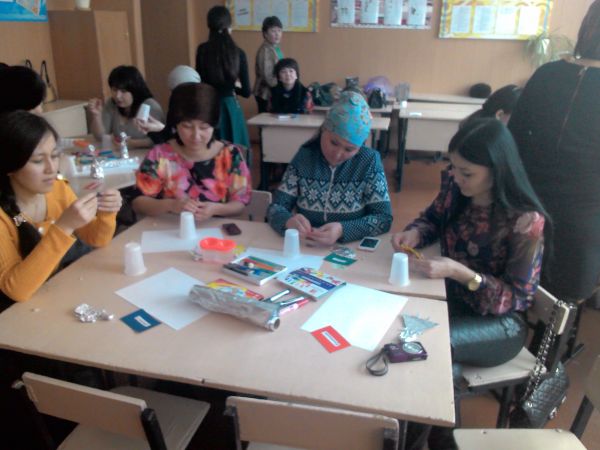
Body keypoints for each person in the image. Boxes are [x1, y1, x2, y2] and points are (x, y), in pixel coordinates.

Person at [391, 119, 547, 449]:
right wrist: (415, 233)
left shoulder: (525, 220)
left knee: (429, 346)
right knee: (426, 350)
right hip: (451, 303)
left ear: (497, 170)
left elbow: (518, 298)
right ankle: (440, 441)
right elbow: (432, 219)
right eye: (453, 167)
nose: (456, 177)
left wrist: (461, 273)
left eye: (467, 173)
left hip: (501, 325)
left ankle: (420, 440)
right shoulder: (456, 189)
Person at [508, 0, 600, 304]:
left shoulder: (547, 74)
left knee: (520, 291)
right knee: (564, 303)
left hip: (527, 205)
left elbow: (512, 141)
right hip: (584, 219)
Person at [0, 111, 122, 309]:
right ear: (10, 166)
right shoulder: (4, 217)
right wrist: (64, 227)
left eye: (55, 156)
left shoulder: (57, 188)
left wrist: (107, 212)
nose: (51, 168)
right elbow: (16, 289)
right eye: (38, 160)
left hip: (51, 294)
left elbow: (96, 239)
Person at [268, 91, 392, 245]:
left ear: (360, 147)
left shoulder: (369, 161)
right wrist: (288, 221)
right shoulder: (305, 157)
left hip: (350, 248)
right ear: (323, 130)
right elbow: (275, 208)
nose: (338, 154)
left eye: (349, 149)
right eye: (333, 143)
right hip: (307, 246)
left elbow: (384, 219)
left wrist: (342, 230)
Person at [131, 83, 251, 219]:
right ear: (176, 124)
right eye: (187, 126)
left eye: (204, 127)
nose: (196, 136)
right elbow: (138, 203)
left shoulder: (230, 154)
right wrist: (171, 205)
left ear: (214, 125)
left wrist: (216, 209)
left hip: (216, 229)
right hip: (170, 228)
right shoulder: (160, 155)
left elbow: (240, 203)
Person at [195, 6, 250, 148]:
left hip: (208, 106)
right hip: (230, 106)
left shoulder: (202, 50)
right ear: (229, 26)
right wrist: (233, 87)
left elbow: (200, 83)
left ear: (209, 25)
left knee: (210, 148)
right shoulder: (238, 53)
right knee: (235, 149)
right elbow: (247, 92)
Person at [88, 65, 164, 148]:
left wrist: (132, 144)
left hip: (146, 153)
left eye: (123, 91)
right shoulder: (111, 103)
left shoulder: (150, 106)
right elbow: (100, 137)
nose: (118, 96)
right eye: (114, 90)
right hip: (121, 152)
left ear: (135, 90)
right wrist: (97, 116)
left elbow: (160, 138)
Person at [253, 16, 283, 113]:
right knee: (266, 121)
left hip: (273, 92)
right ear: (265, 34)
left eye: (279, 30)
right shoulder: (266, 50)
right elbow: (268, 77)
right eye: (273, 31)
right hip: (265, 94)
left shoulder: (275, 47)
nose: (277, 34)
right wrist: (282, 89)